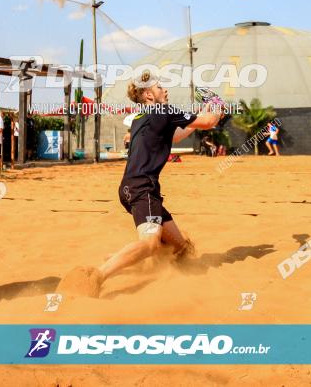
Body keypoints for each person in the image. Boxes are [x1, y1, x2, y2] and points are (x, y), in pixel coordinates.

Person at [60, 71, 222, 296]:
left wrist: (202, 114)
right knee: (151, 243)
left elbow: (175, 136)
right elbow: (210, 121)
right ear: (148, 95)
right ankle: (99, 275)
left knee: (180, 247)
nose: (165, 90)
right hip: (142, 188)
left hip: (133, 188)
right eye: (159, 87)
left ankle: (125, 260)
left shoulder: (140, 118)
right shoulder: (164, 111)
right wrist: (216, 104)